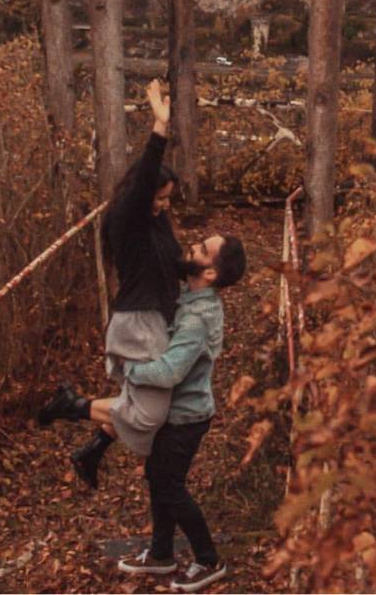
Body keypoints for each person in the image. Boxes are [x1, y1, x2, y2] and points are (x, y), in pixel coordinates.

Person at [37, 79, 183, 487]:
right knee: (152, 413)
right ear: (143, 193)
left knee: (143, 404)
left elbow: (172, 263)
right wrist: (159, 127)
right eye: (160, 198)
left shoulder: (155, 221)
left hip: (154, 320)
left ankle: (92, 450)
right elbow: (143, 184)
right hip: (137, 325)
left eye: (168, 199)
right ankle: (75, 407)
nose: (163, 206)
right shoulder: (128, 218)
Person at [116, 231, 246, 594]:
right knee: (158, 479)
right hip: (177, 415)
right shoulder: (192, 297)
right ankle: (161, 555)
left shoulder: (197, 318)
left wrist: (130, 370)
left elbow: (170, 371)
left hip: (186, 419)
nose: (192, 247)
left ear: (210, 274)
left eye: (202, 250)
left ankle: (208, 559)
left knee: (169, 488)